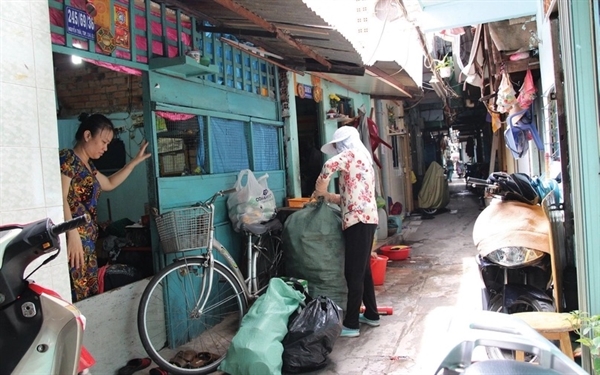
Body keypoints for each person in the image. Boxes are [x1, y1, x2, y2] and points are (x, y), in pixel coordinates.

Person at [60, 113, 151, 302]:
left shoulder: (89, 166)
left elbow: (108, 183)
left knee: (89, 292)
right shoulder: (67, 159)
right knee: (78, 293)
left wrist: (133, 162)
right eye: (103, 141)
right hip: (76, 241)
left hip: (88, 241)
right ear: (87, 136)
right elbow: (61, 198)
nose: (105, 148)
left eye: (108, 143)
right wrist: (73, 234)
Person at [312, 125, 379, 337]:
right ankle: (372, 314)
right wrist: (329, 197)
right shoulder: (364, 159)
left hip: (358, 222)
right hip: (367, 218)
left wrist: (320, 188)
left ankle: (351, 323)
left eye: (339, 145)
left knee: (354, 272)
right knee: (363, 270)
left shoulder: (351, 155)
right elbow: (354, 195)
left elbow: (328, 166)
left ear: (345, 143)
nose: (339, 149)